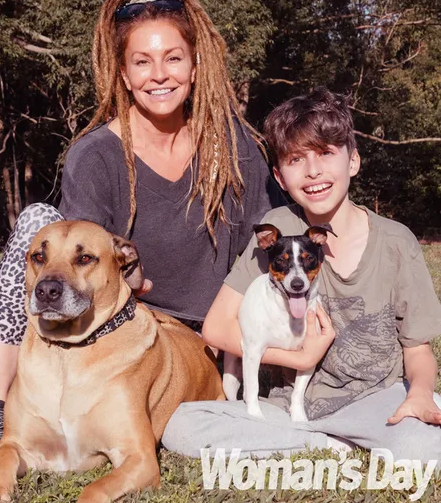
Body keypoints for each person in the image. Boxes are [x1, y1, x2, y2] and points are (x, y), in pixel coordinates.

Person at [0, 0, 284, 456]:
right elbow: (80, 262)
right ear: (123, 75)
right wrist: (131, 275)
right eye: (141, 62)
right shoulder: (95, 156)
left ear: (195, 63)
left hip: (215, 336)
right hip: (127, 327)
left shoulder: (234, 147)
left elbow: (264, 242)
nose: (159, 74)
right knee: (35, 221)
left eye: (172, 57)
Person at [162, 87, 441, 461]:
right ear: (279, 176)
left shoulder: (396, 242)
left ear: (353, 161)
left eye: (326, 153)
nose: (312, 171)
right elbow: (216, 328)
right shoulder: (276, 228)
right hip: (289, 405)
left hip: (374, 398)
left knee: (423, 446)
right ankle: (325, 442)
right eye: (295, 159)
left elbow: (418, 349)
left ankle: (340, 436)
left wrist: (420, 392)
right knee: (182, 426)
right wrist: (299, 359)